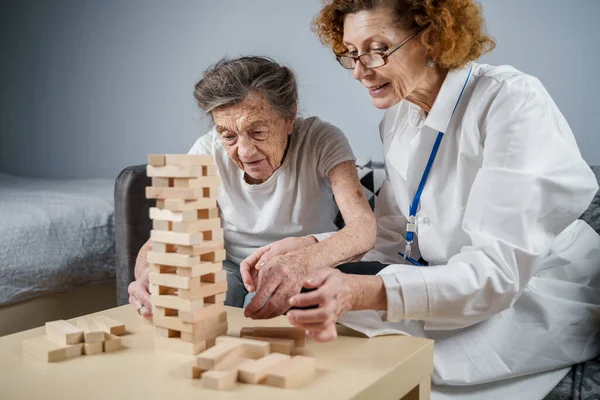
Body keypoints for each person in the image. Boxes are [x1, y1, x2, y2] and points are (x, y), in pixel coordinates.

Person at [245, 1, 600, 399]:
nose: (361, 70)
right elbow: (397, 234)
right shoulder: (399, 116)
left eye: (378, 49)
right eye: (352, 53)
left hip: (533, 290)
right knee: (341, 353)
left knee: (398, 371)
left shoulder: (511, 102)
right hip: (454, 283)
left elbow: (498, 275)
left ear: (432, 39)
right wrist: (313, 250)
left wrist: (357, 292)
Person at [127, 56, 376, 316]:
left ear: (290, 116)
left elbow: (363, 229)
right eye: (228, 136)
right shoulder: (204, 149)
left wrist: (301, 259)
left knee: (269, 311)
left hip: (307, 260)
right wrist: (148, 273)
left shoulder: (322, 139)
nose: (245, 152)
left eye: (258, 132)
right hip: (228, 265)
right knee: (196, 307)